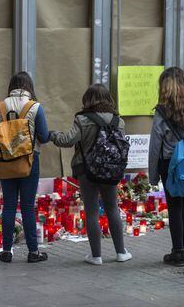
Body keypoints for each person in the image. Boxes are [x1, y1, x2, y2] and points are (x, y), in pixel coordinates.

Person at [50, 83, 132, 265]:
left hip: (87, 170)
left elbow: (67, 140)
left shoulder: (82, 119)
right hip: (111, 170)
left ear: (88, 100)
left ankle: (96, 256)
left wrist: (53, 135)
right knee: (112, 209)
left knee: (92, 211)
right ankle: (121, 252)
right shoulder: (119, 121)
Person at [0, 72, 50, 263]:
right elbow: (45, 136)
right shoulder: (35, 107)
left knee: (8, 205)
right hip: (29, 161)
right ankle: (33, 252)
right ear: (29, 86)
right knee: (27, 207)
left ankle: (6, 250)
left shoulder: (0, 107)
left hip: (5, 162)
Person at [149, 67, 184, 266]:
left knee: (174, 207)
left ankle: (178, 252)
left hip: (169, 164)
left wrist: (153, 175)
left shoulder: (163, 112)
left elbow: (155, 146)